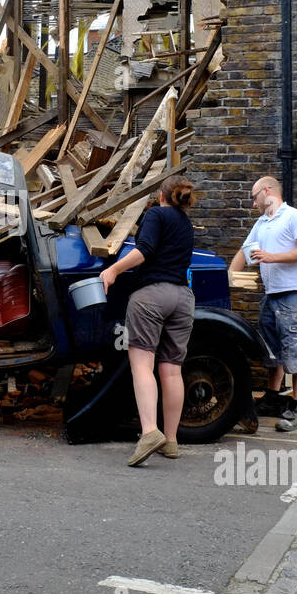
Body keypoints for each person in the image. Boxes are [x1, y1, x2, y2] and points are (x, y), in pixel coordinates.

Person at [99, 176, 198, 467]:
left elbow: (145, 251)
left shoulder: (156, 214)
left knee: (143, 365)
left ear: (160, 195)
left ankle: (149, 432)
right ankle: (171, 440)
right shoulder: (185, 222)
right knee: (172, 370)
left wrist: (113, 271)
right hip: (182, 297)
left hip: (152, 295)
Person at [228, 176, 297, 433]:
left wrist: (271, 257)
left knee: (296, 349)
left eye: (255, 196)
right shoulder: (262, 222)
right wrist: (229, 277)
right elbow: (244, 252)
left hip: (292, 293)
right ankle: (272, 397)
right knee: (271, 349)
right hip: (271, 293)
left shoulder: (295, 217)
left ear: (267, 191)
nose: (253, 202)